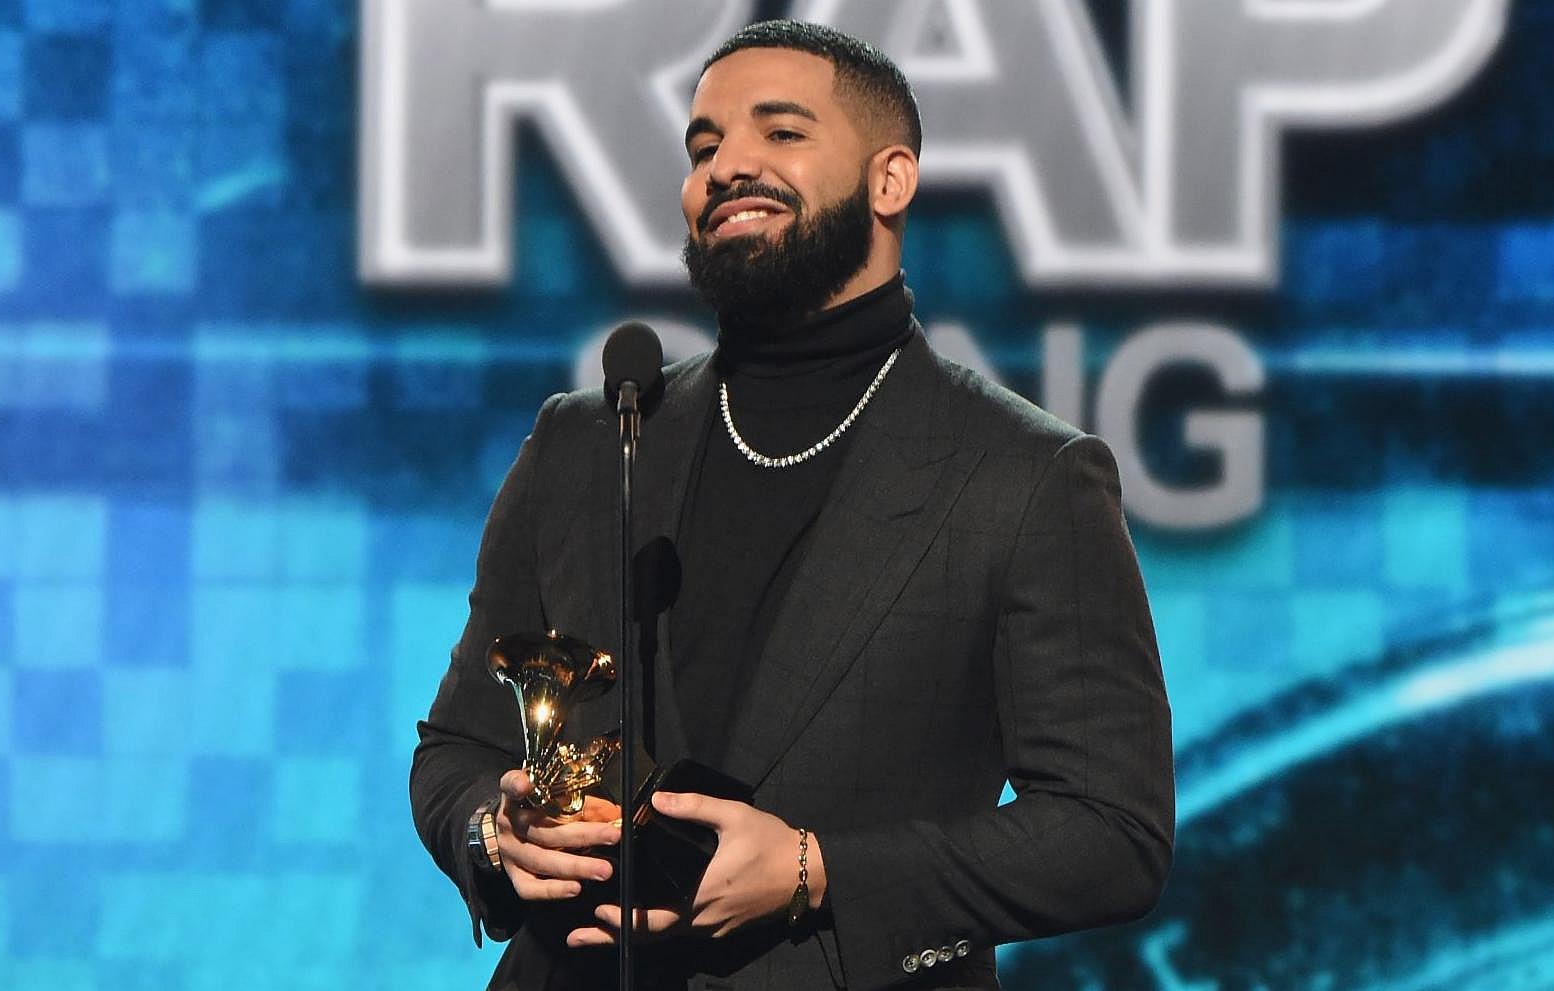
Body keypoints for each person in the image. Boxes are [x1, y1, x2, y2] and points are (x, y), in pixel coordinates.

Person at [412, 19, 1174, 991]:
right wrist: (495, 833)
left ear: (890, 180)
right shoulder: (586, 441)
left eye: (780, 132)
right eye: (703, 146)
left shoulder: (1025, 475)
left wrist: (819, 872)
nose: (727, 166)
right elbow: (459, 747)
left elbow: (1111, 831)